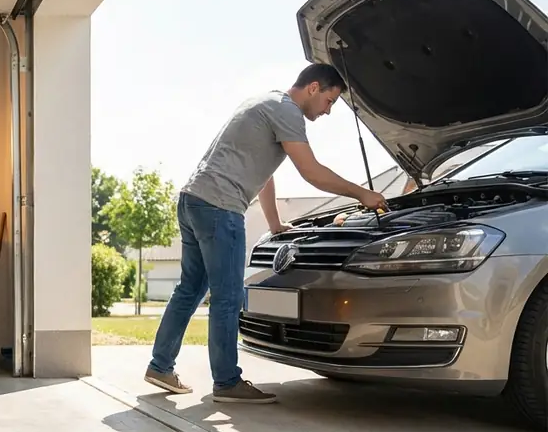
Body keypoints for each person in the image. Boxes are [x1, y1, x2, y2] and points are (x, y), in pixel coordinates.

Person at [143, 63, 388, 404]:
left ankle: (160, 365)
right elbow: (312, 172)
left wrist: (274, 224)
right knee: (228, 298)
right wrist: (362, 194)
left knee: (190, 289)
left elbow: (264, 173)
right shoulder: (288, 112)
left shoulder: (264, 103)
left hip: (193, 200)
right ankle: (227, 383)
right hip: (219, 206)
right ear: (314, 88)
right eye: (330, 101)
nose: (328, 111)